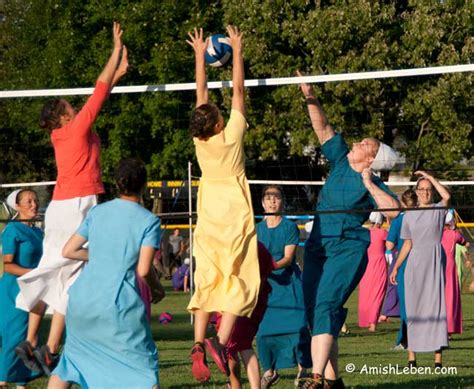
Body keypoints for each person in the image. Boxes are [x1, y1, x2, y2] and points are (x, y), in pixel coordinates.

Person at [15, 22, 129, 376]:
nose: (76, 107)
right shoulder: (76, 128)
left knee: (57, 271)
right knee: (68, 273)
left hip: (64, 206)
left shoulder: (62, 134)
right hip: (78, 205)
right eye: (71, 106)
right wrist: (115, 50)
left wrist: (118, 72)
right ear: (64, 116)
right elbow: (99, 89)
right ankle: (45, 346)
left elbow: (103, 92)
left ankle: (37, 343)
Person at [297, 73, 400, 389]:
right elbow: (322, 127)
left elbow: (395, 211)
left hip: (347, 249)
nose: (359, 141)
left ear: (371, 157)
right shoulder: (341, 158)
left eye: (366, 143)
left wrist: (370, 183)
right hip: (318, 246)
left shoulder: (371, 182)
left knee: (326, 304)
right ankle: (333, 380)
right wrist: (309, 94)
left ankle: (315, 379)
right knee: (315, 311)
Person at [186, 26, 260, 382]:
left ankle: (198, 343)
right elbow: (239, 91)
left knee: (206, 281)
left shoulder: (200, 142)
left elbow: (201, 92)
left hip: (208, 215)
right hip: (235, 212)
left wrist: (200, 55)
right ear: (218, 122)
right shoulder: (231, 134)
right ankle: (220, 338)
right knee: (239, 283)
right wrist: (238, 52)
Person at [47, 158, 162, 389]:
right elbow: (143, 269)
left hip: (81, 301)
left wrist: (101, 255)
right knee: (143, 368)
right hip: (118, 305)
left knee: (72, 362)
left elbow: (69, 250)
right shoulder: (149, 221)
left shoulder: (97, 212)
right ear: (144, 185)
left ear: (117, 184)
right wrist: (157, 288)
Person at [390, 171, 450, 368]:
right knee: (413, 309)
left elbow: (447, 196)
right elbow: (407, 244)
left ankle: (438, 360)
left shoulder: (439, 210)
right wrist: (396, 267)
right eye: (422, 189)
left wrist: (430, 177)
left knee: (436, 308)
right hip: (414, 266)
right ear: (416, 192)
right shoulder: (408, 216)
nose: (425, 193)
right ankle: (411, 358)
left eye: (428, 189)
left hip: (433, 263)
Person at [256, 185, 312, 388]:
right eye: (268, 198)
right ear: (262, 203)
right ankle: (270, 372)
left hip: (288, 286)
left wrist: (267, 267)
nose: (272, 201)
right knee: (263, 332)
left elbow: (288, 258)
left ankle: (303, 371)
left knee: (298, 329)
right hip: (264, 287)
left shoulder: (289, 227)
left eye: (276, 197)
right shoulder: (256, 230)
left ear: (282, 202)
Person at [217, 242, 275, 389]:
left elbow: (260, 282)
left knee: (242, 343)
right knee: (229, 346)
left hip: (249, 301)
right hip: (227, 299)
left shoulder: (257, 248)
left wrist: (248, 303)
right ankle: (235, 384)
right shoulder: (224, 245)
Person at [0, 190, 43, 388]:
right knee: (14, 339)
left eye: (36, 200)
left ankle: (20, 383)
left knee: (27, 339)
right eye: (29, 201)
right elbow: (7, 265)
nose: (34, 204)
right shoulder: (12, 230)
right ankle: (3, 379)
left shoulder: (38, 232)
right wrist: (32, 273)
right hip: (13, 292)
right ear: (17, 206)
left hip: (33, 292)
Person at [385, 188, 418, 350]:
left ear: (403, 203)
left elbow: (389, 245)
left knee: (406, 304)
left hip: (404, 263)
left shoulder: (399, 220)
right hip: (424, 262)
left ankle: (404, 340)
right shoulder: (423, 216)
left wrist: (390, 228)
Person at [358, 212, 388, 332]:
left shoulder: (365, 233)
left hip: (366, 264)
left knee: (366, 293)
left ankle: (364, 320)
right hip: (379, 263)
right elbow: (391, 243)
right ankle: (373, 322)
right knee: (378, 293)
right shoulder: (383, 233)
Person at [441, 212, 467, 335]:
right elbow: (464, 242)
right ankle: (449, 328)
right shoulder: (454, 234)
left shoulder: (438, 234)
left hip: (439, 265)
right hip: (450, 267)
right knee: (450, 297)